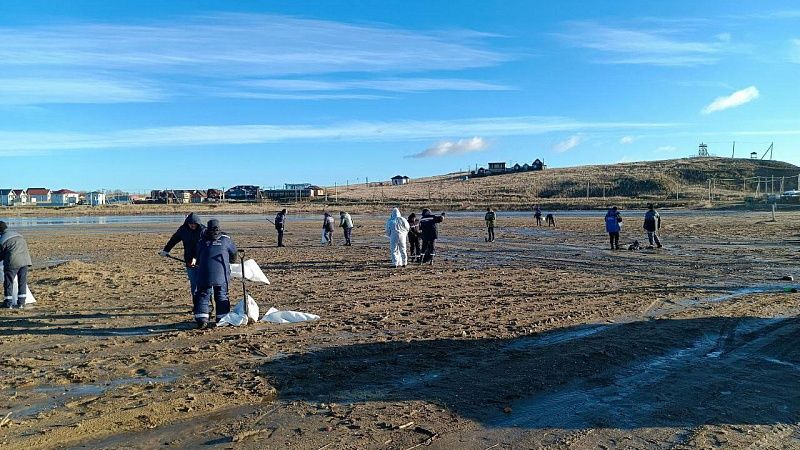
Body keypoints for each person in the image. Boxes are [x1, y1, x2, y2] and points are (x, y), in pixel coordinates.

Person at [192, 219, 237, 329]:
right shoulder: (226, 240)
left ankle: (202, 320)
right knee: (221, 295)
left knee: (203, 294)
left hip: (204, 273)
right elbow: (234, 253)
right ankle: (222, 318)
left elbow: (197, 256)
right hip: (221, 273)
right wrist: (231, 261)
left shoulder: (201, 241)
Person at [160, 213, 205, 297]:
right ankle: (196, 306)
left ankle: (211, 304)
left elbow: (207, 246)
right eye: (191, 224)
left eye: (194, 224)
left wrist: (196, 259)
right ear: (187, 223)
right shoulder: (183, 230)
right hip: (189, 260)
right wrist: (166, 250)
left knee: (205, 284)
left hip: (202, 261)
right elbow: (174, 240)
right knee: (194, 283)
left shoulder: (203, 230)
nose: (193, 225)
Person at [0, 221, 32, 309]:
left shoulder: (2, 239)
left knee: (8, 282)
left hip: (12, 263)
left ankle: (8, 303)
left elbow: (1, 254)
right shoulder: (18, 235)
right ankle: (21, 303)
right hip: (25, 261)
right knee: (22, 281)